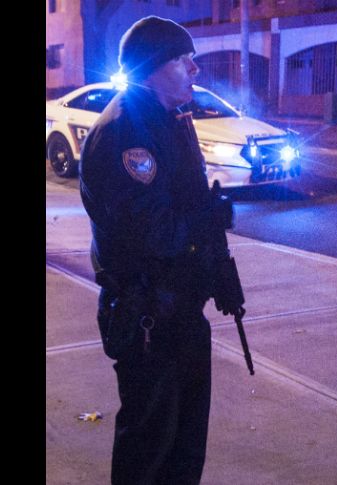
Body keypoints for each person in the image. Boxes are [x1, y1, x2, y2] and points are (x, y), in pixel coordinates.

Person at [79, 16, 241, 484]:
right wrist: (205, 222)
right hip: (148, 314)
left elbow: (186, 204)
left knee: (185, 453)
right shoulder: (126, 130)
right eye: (183, 59)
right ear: (154, 66)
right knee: (148, 453)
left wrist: (218, 270)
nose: (195, 69)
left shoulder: (168, 120)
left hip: (181, 312)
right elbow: (152, 232)